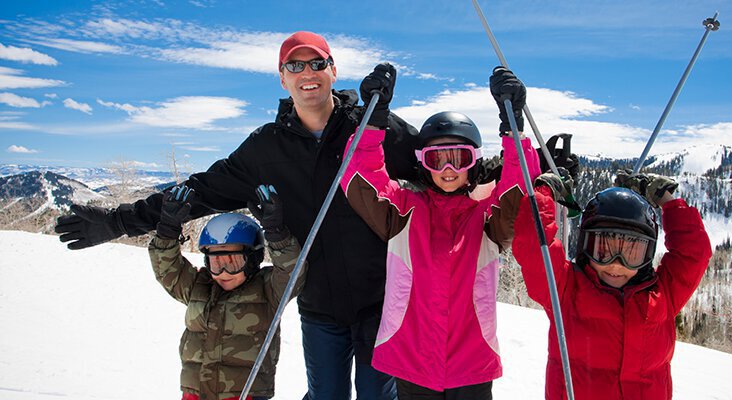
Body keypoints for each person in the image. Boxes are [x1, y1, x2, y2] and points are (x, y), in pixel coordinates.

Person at [55, 31, 423, 400]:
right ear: (282, 77)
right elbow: (200, 192)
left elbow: (442, 163)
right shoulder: (265, 148)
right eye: (295, 65)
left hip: (383, 299)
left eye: (317, 63)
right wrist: (118, 222)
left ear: (333, 70)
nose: (307, 72)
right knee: (326, 395)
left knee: (380, 396)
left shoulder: (373, 128)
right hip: (319, 306)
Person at [340, 66, 540, 399]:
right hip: (412, 359)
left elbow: (518, 193)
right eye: (437, 160)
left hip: (471, 362)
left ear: (473, 162)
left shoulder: (488, 217)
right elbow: (361, 180)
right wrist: (373, 121)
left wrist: (513, 127)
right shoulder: (404, 211)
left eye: (458, 159)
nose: (448, 170)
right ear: (423, 163)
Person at [512, 169, 713, 399]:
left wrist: (665, 199)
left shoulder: (662, 294)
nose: (617, 265)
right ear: (586, 247)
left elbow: (694, 253)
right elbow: (533, 245)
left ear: (647, 255)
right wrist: (545, 191)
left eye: (632, 253)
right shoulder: (566, 289)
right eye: (603, 250)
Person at [149, 184, 305, 400]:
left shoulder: (268, 290)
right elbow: (167, 269)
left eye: (232, 262)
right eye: (216, 262)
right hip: (195, 393)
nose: (223, 272)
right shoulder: (197, 286)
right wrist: (167, 229)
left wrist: (277, 234)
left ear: (252, 260)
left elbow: (292, 271)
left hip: (245, 394)